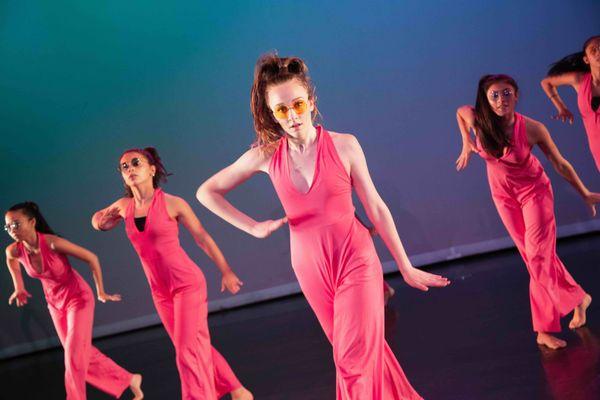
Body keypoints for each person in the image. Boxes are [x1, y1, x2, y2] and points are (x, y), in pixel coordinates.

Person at [197, 54, 449, 399]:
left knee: (352, 360)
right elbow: (206, 192)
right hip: (310, 269)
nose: (292, 115)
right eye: (281, 109)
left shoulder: (345, 145)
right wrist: (253, 227)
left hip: (355, 259)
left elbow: (375, 206)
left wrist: (404, 266)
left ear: (311, 103)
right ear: (272, 114)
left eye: (297, 104)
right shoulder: (267, 155)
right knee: (360, 355)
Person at [92, 148, 252, 400]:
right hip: (160, 291)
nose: (130, 169)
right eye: (124, 167)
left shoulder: (172, 203)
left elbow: (202, 238)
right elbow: (97, 220)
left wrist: (226, 271)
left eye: (136, 163)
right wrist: (102, 220)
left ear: (152, 170)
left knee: (187, 350)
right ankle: (239, 392)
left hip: (187, 285)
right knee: (189, 345)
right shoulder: (124, 206)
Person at [456, 74, 598, 349]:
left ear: (517, 96)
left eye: (507, 93)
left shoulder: (532, 128)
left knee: (537, 258)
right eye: (494, 95)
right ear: (486, 100)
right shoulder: (480, 123)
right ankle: (576, 300)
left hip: (535, 193)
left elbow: (560, 163)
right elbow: (460, 112)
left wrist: (584, 192)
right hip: (503, 197)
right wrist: (465, 141)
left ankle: (548, 324)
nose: (501, 100)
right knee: (534, 258)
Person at [5, 201, 143, 400]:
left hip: (78, 298)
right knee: (82, 354)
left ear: (32, 222)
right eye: (8, 226)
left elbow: (91, 258)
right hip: (54, 303)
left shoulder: (52, 243)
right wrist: (19, 287)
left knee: (73, 355)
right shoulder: (14, 251)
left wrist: (101, 291)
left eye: (16, 224)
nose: (11, 230)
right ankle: (128, 379)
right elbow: (12, 263)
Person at [541, 35, 600, 171]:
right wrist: (561, 108)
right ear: (586, 59)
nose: (599, 52)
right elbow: (546, 82)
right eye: (594, 50)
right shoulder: (579, 80)